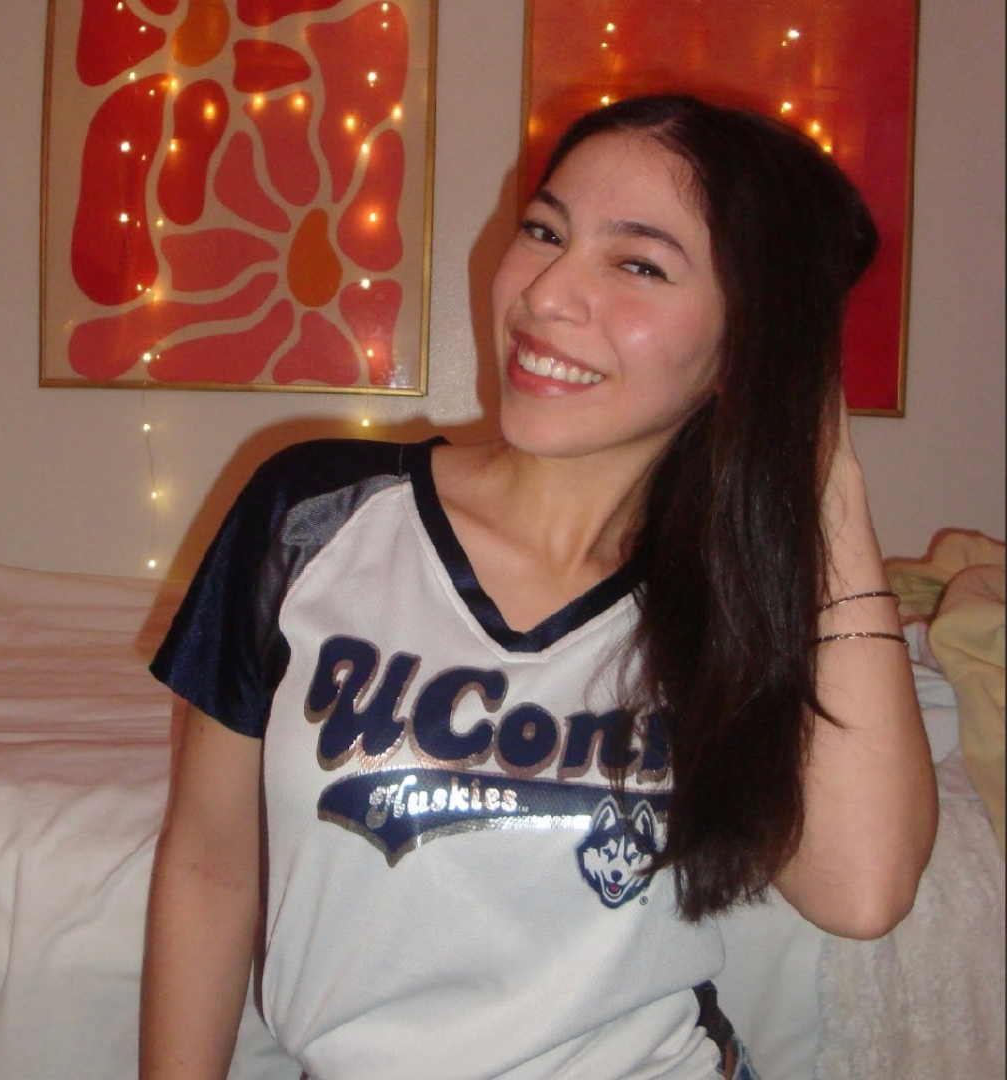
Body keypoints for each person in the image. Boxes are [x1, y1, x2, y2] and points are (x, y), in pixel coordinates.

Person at [139, 94, 938, 1080]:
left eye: (638, 263)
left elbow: (863, 891)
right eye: (544, 230)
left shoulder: (733, 597)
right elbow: (212, 864)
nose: (548, 291)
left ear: (745, 345)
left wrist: (824, 467)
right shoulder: (313, 513)